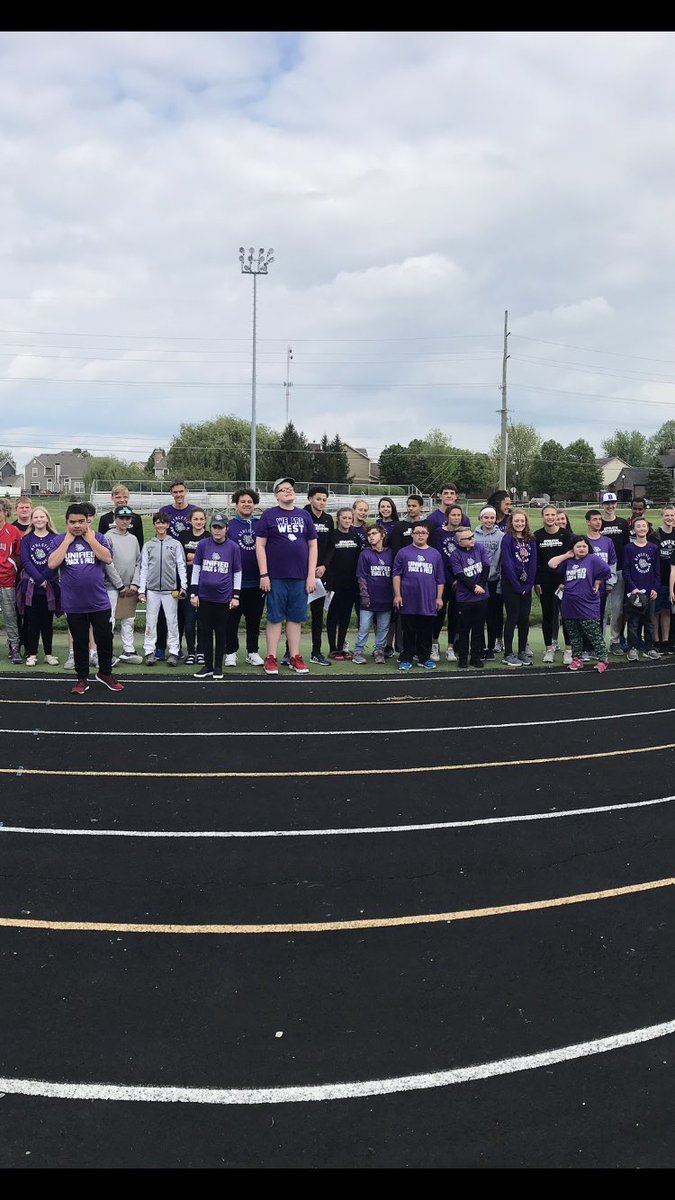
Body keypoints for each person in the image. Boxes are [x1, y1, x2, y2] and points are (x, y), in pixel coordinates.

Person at [47, 503, 123, 694]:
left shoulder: (98, 537)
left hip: (99, 601)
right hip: (74, 603)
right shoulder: (59, 541)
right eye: (73, 522)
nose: (77, 525)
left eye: (81, 521)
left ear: (87, 521)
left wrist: (90, 540)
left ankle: (105, 673)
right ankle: (82, 678)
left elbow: (107, 558)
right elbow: (52, 564)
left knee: (105, 639)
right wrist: (67, 541)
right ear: (67, 523)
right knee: (80, 642)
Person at [255, 477, 317, 675]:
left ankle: (294, 656)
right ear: (276, 495)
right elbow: (260, 545)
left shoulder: (304, 515)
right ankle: (271, 656)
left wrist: (310, 576)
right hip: (276, 577)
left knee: (295, 618)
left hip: (299, 577)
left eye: (290, 488)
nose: (288, 491)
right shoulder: (269, 515)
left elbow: (313, 545)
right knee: (274, 617)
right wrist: (264, 574)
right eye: (283, 489)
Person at [189, 512, 241, 680]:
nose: (217, 530)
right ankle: (208, 665)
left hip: (223, 598)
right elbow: (196, 568)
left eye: (221, 527)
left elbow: (237, 572)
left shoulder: (233, 547)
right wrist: (194, 592)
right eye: (214, 527)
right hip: (204, 596)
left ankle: (218, 666)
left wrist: (236, 595)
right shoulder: (203, 545)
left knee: (220, 632)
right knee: (205, 631)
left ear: (226, 529)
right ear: (210, 528)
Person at [548, 536, 611, 672]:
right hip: (569, 604)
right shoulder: (568, 561)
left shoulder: (593, 559)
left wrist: (598, 581)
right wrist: (567, 555)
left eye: (584, 546)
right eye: (578, 546)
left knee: (594, 633)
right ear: (573, 548)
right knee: (574, 634)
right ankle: (577, 659)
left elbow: (606, 570)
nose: (582, 549)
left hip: (588, 603)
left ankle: (603, 659)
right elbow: (552, 564)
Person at [392, 521, 444, 670]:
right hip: (408, 599)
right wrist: (397, 595)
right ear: (412, 535)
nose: (420, 535)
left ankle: (424, 658)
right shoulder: (403, 552)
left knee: (426, 631)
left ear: (428, 535)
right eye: (417, 533)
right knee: (408, 631)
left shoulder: (435, 554)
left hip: (428, 600)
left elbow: (440, 579)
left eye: (423, 533)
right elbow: (396, 575)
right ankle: (406, 658)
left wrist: (439, 597)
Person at [138, 512, 188, 666]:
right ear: (154, 525)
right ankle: (149, 651)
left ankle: (173, 652)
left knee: (172, 621)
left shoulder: (175, 544)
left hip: (170, 591)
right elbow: (144, 568)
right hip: (152, 590)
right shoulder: (148, 545)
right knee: (150, 621)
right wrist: (142, 589)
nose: (160, 526)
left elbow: (181, 565)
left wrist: (183, 586)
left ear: (168, 525)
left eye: (163, 523)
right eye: (157, 523)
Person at [225, 490, 265, 667]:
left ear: (254, 504)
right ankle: (230, 652)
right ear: (236, 504)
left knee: (254, 620)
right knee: (231, 620)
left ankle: (252, 651)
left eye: (250, 501)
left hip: (257, 581)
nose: (247, 504)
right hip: (233, 584)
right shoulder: (230, 525)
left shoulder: (261, 524)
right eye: (243, 501)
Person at [17, 506, 60, 666]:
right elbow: (26, 560)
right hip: (31, 587)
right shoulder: (26, 539)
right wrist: (37, 577)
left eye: (42, 517)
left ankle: (49, 654)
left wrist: (44, 577)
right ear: (32, 520)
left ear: (47, 519)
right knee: (32, 621)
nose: (39, 520)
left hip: (49, 586)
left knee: (47, 622)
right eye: (36, 517)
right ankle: (32, 653)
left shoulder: (55, 538)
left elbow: (56, 560)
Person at [103, 505, 143, 664]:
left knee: (128, 619)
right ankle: (106, 651)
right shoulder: (108, 537)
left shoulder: (133, 539)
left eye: (128, 518)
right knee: (110, 619)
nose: (125, 521)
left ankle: (128, 650)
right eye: (121, 518)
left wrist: (135, 583)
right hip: (113, 587)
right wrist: (119, 585)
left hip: (130, 587)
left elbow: (138, 562)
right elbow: (108, 563)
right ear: (115, 519)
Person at [500, 509, 538, 667]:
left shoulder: (530, 539)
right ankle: (508, 653)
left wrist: (529, 584)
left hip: (526, 585)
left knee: (524, 619)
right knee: (512, 617)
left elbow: (533, 562)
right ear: (511, 522)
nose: (520, 524)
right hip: (511, 584)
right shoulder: (507, 539)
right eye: (516, 521)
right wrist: (517, 585)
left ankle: (522, 650)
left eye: (522, 521)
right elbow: (507, 563)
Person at [449, 526, 490, 668]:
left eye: (472, 536)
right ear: (460, 541)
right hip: (464, 598)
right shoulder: (455, 555)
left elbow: (486, 567)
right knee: (464, 630)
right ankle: (463, 657)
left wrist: (482, 585)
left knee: (478, 629)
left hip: (481, 597)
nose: (473, 539)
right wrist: (474, 587)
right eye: (469, 538)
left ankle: (476, 657)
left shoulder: (479, 548)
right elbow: (460, 575)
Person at [352, 524, 393, 665]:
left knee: (383, 627)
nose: (371, 536)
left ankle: (379, 651)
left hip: (386, 598)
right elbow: (361, 577)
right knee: (364, 627)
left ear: (382, 535)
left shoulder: (390, 553)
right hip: (368, 599)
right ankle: (358, 651)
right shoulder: (365, 554)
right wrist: (364, 595)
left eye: (374, 533)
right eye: (369, 534)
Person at [323, 507, 361, 660]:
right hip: (334, 584)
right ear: (338, 519)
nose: (346, 521)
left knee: (345, 616)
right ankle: (332, 649)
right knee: (333, 616)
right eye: (344, 518)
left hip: (350, 584)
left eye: (349, 518)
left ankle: (341, 647)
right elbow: (327, 558)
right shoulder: (332, 535)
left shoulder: (355, 536)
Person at [430, 503, 467, 661]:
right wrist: (449, 580)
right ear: (447, 517)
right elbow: (439, 559)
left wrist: (460, 580)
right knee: (439, 613)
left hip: (460, 582)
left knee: (456, 615)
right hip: (442, 581)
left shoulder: (464, 533)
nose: (456, 518)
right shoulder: (438, 533)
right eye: (453, 515)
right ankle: (434, 645)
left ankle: (451, 647)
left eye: (459, 515)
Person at [535, 505, 571, 663]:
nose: (550, 517)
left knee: (567, 616)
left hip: (563, 581)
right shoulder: (537, 536)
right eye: (547, 515)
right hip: (545, 581)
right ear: (542, 516)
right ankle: (549, 648)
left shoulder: (565, 535)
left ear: (557, 516)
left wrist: (565, 581)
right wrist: (536, 582)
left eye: (552, 514)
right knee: (548, 615)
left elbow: (571, 559)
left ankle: (569, 649)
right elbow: (535, 561)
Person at [303, 485, 334, 667]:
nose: (321, 502)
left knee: (317, 615)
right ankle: (289, 652)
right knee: (296, 614)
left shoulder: (329, 520)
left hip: (319, 574)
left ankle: (316, 652)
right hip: (302, 573)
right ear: (310, 499)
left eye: (324, 499)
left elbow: (331, 546)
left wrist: (323, 565)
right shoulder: (301, 516)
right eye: (318, 499)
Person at [622, 517, 661, 661]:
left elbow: (657, 571)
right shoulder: (629, 548)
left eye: (644, 526)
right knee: (633, 621)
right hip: (635, 592)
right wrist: (633, 588)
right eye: (638, 526)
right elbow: (626, 571)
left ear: (648, 528)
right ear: (634, 529)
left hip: (650, 590)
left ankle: (649, 647)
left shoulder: (653, 548)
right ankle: (633, 647)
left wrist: (655, 588)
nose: (641, 529)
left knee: (649, 621)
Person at [177, 507, 210, 665]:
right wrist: (198, 558)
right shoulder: (184, 535)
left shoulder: (209, 536)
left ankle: (202, 651)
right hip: (187, 584)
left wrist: (192, 558)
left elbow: (210, 558)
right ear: (190, 520)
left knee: (203, 621)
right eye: (195, 519)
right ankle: (191, 652)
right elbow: (181, 556)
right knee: (189, 621)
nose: (198, 522)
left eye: (201, 519)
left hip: (206, 585)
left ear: (205, 520)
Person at [600, 491, 630, 656]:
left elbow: (626, 547)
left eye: (613, 503)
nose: (610, 506)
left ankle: (615, 641)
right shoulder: (599, 523)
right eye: (607, 504)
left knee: (617, 609)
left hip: (618, 571)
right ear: (602, 505)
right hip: (601, 573)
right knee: (601, 609)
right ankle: (599, 641)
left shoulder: (622, 523)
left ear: (616, 504)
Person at [474, 506, 504, 659]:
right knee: (479, 615)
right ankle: (479, 645)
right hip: (477, 581)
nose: (489, 520)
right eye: (486, 517)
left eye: (492, 518)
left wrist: (495, 576)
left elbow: (500, 560)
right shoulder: (474, 536)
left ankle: (491, 646)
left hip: (493, 580)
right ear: (481, 518)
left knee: (493, 616)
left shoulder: (501, 536)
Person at [585, 509, 618, 647]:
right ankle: (586, 646)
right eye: (594, 519)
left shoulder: (607, 541)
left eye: (599, 519)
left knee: (600, 616)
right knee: (586, 617)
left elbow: (612, 562)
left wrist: (610, 582)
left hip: (603, 587)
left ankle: (597, 644)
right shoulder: (583, 541)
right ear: (588, 522)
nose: (598, 522)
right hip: (586, 586)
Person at [0, 498, 24, 664]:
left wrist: (11, 571)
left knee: (10, 616)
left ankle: (14, 647)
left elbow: (19, 555)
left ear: (5, 513)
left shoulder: (13, 531)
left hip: (7, 581)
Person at [654, 503, 675, 652]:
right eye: (667, 515)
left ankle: (666, 640)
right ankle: (656, 640)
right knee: (656, 611)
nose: (669, 518)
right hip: (659, 577)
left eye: (672, 515)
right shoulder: (655, 535)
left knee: (667, 611)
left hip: (673, 579)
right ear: (662, 517)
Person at [98, 483, 144, 548]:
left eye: (125, 497)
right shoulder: (105, 519)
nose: (122, 500)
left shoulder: (136, 518)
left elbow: (140, 542)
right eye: (118, 497)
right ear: (112, 498)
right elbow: (101, 542)